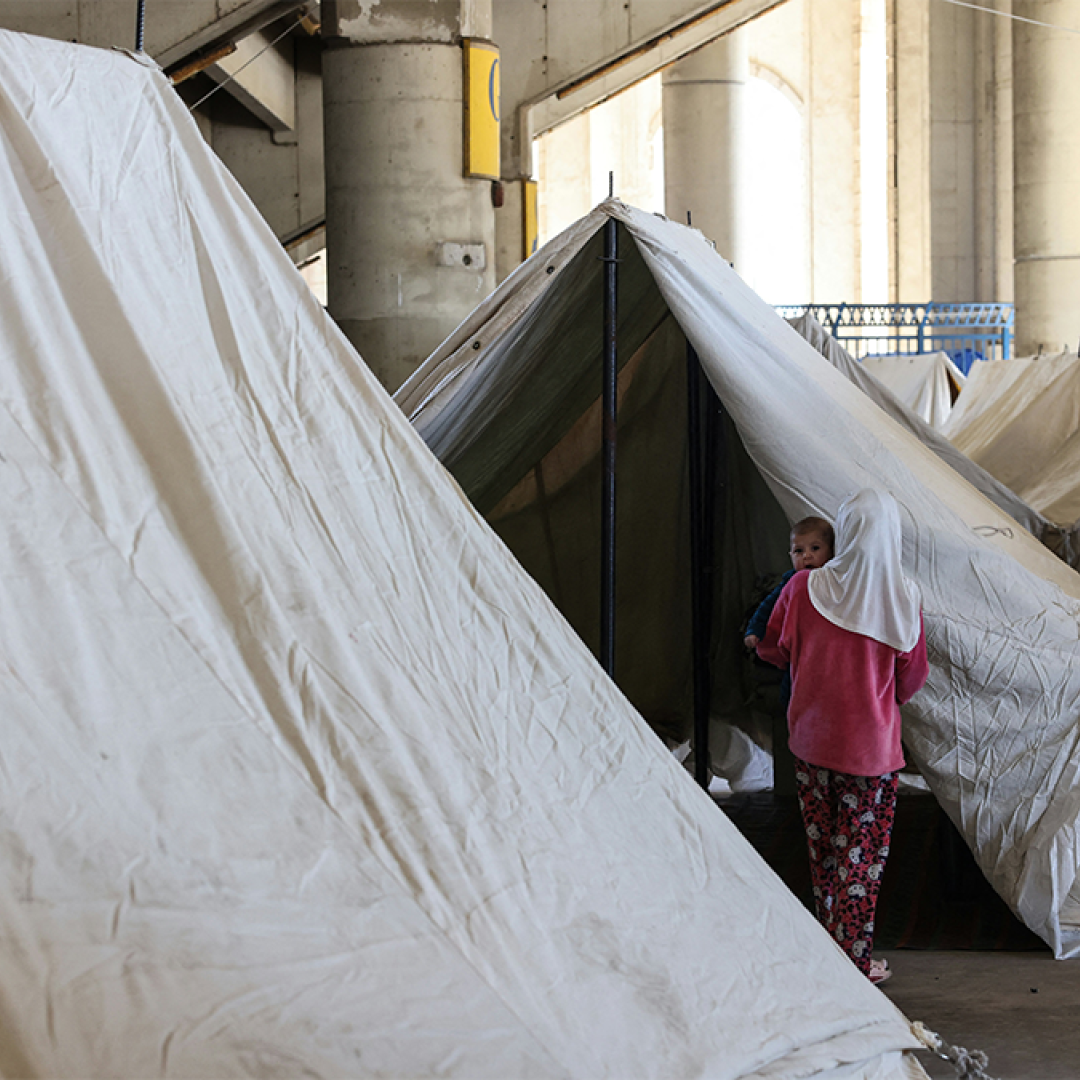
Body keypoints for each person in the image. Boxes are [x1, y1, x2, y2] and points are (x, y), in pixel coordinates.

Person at [756, 489, 928, 985]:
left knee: (825, 853)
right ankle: (853, 965)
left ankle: (830, 954)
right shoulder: (903, 596)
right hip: (870, 751)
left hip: (810, 742)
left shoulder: (804, 587)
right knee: (861, 860)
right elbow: (911, 678)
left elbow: (777, 647)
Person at [743, 516, 835, 652]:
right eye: (799, 551)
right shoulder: (790, 582)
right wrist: (754, 630)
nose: (806, 556)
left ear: (831, 551)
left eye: (815, 548)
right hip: (798, 645)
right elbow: (768, 606)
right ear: (790, 555)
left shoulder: (834, 579)